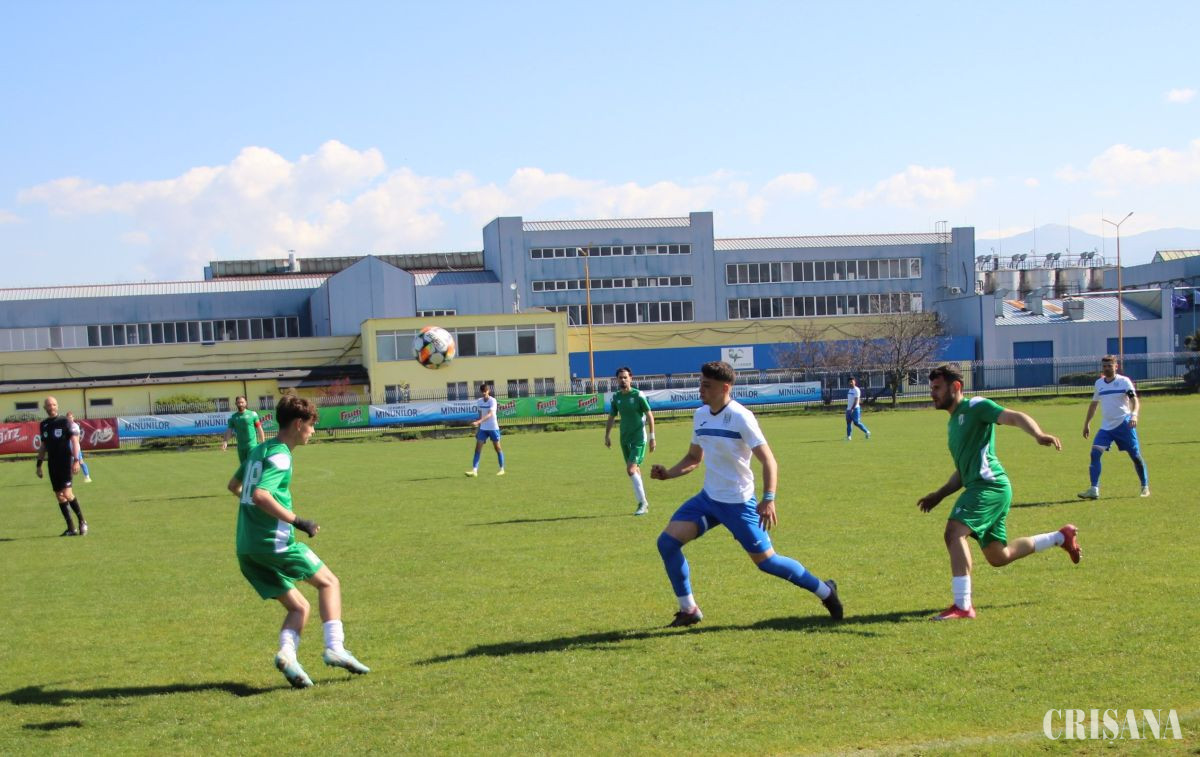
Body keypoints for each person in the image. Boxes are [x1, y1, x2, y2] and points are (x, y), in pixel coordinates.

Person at [650, 361, 842, 627]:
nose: (700, 389)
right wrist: (669, 473)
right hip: (708, 500)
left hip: (738, 503)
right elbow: (694, 457)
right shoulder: (700, 415)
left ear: (725, 388)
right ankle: (689, 609)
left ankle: (825, 590)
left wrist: (769, 498)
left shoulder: (741, 417)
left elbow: (769, 460)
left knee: (768, 563)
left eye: (707, 385)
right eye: (700, 383)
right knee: (667, 543)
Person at [917, 364, 1080, 621]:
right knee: (999, 556)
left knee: (954, 532)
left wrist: (1038, 434)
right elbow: (963, 471)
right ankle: (1060, 537)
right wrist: (939, 494)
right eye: (932, 388)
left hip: (989, 486)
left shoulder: (976, 406)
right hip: (984, 487)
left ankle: (963, 606)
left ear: (956, 386)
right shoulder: (953, 423)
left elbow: (1014, 416)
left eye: (937, 388)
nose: (932, 393)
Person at [230, 395, 369, 688]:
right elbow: (261, 495)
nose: (313, 431)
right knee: (329, 583)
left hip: (246, 548)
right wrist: (297, 521)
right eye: (311, 425)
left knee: (300, 608)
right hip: (274, 544)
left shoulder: (258, 451)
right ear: (297, 424)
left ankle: (288, 655)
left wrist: (255, 510)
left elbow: (235, 486)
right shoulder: (281, 455)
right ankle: (335, 647)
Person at [1078, 355, 1149, 499]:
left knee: (1135, 456)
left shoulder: (1124, 381)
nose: (1106, 368)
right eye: (1104, 366)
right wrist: (1087, 424)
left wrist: (1134, 415)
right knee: (1095, 454)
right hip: (1106, 427)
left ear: (1116, 366)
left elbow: (1134, 400)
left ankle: (1145, 486)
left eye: (1109, 366)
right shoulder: (1099, 383)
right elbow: (1094, 405)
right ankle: (1094, 489)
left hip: (1124, 424)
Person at [604, 367, 656, 515]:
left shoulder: (638, 395)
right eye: (620, 378)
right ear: (617, 380)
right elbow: (611, 417)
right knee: (635, 470)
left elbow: (650, 415)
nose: (623, 380)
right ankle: (644, 502)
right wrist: (607, 435)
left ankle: (642, 503)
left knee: (631, 470)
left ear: (631, 378)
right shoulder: (616, 397)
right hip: (624, 438)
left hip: (639, 438)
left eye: (625, 377)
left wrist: (652, 437)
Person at [36, 396, 87, 536]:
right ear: (45, 408)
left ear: (57, 406)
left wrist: (76, 460)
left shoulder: (65, 421)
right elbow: (43, 446)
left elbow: (75, 441)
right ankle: (71, 528)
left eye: (53, 404)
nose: (51, 407)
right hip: (52, 464)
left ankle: (82, 521)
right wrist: (39, 465)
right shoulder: (44, 424)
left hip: (66, 462)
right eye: (48, 405)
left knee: (67, 493)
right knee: (59, 495)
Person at [465, 383, 505, 477]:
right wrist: (478, 429)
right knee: (477, 449)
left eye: (485, 391)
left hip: (493, 427)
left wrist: (478, 422)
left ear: (488, 391)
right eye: (482, 392)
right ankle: (474, 470)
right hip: (483, 428)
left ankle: (502, 469)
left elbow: (490, 414)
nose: (484, 393)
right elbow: (480, 415)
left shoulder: (493, 401)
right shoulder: (479, 401)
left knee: (497, 448)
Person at [222, 395, 266, 463]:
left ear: (246, 403)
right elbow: (229, 431)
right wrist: (225, 441)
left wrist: (263, 442)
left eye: (242, 402)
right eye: (238, 403)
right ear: (236, 404)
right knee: (244, 466)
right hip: (241, 448)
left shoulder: (253, 414)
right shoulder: (233, 417)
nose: (240, 404)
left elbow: (259, 429)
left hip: (252, 446)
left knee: (252, 465)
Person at [65, 411, 93, 483]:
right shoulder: (65, 426)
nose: (70, 419)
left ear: (73, 418)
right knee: (68, 464)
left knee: (80, 462)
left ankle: (87, 477)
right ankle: (68, 480)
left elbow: (75, 438)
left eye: (71, 417)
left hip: (75, 448)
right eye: (68, 418)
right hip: (68, 448)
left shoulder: (75, 426)